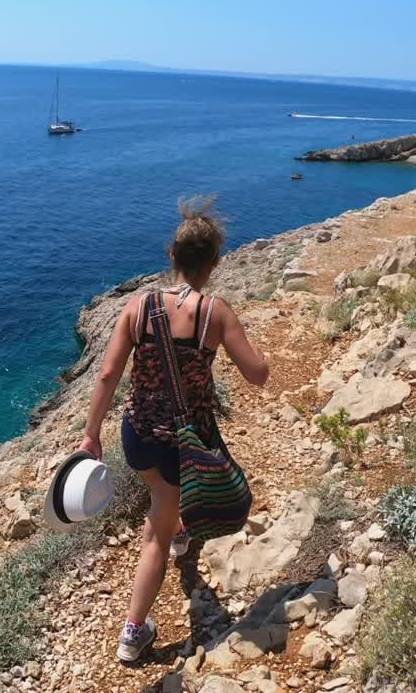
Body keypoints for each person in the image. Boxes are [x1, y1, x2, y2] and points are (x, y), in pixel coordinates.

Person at [77, 197, 269, 663]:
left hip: (137, 434)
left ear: (172, 257)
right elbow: (257, 374)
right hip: (182, 442)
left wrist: (91, 433)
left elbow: (107, 375)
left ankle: (180, 529)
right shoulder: (215, 312)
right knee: (154, 537)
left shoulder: (138, 306)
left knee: (161, 494)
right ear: (214, 262)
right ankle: (133, 631)